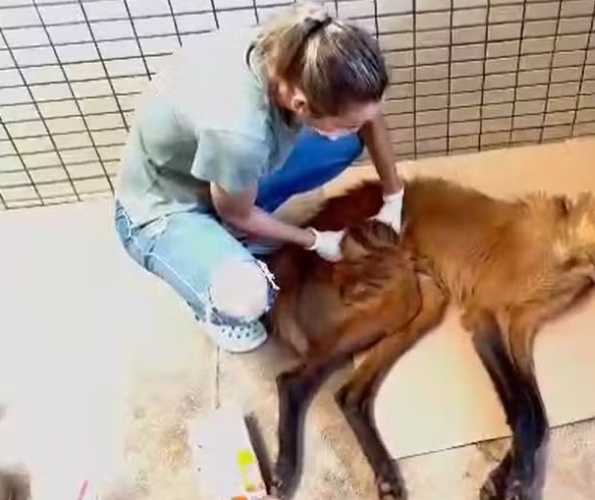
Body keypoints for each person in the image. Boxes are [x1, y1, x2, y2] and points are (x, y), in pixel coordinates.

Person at [112, 2, 404, 354]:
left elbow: (365, 114)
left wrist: (394, 196)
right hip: (164, 205)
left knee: (345, 143)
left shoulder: (296, 51)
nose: (356, 127)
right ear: (301, 105)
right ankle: (213, 304)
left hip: (219, 174)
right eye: (347, 122)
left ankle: (233, 229)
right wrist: (314, 240)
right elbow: (236, 210)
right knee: (247, 295)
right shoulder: (240, 133)